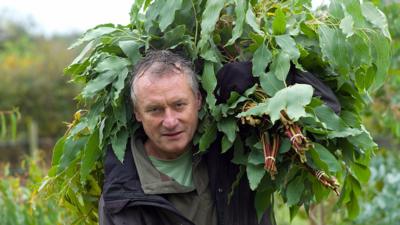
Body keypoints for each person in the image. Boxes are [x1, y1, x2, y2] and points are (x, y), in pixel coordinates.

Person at [99, 50, 274, 225]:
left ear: (198, 100)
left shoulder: (237, 147)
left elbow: (296, 90)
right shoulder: (120, 201)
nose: (170, 121)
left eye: (179, 105)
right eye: (155, 110)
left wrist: (256, 74)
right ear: (137, 112)